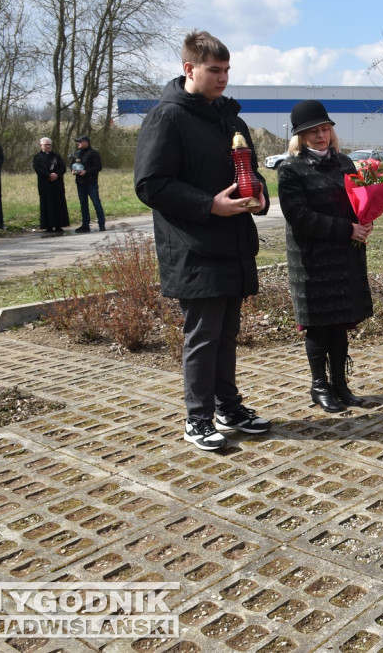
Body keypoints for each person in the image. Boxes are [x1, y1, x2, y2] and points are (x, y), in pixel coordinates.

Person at [134, 30, 271, 451]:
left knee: (227, 335)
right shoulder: (167, 118)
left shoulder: (231, 119)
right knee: (204, 337)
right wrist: (209, 205)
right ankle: (197, 419)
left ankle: (229, 408)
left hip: (232, 245)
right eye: (215, 70)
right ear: (189, 68)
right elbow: (151, 185)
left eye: (228, 70)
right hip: (193, 248)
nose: (223, 78)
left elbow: (247, 169)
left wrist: (261, 193)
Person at [276, 100, 373, 413]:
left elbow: (359, 202)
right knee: (319, 327)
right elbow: (299, 216)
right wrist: (347, 228)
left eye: (325, 128)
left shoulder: (345, 163)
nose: (320, 135)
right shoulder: (290, 169)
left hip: (344, 257)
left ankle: (341, 385)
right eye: (312, 131)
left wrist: (366, 218)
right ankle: (319, 386)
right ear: (300, 137)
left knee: (340, 324)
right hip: (312, 261)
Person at [33, 137, 70, 234]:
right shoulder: (37, 157)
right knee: (47, 205)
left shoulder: (56, 156)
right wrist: (49, 175)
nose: (48, 146)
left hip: (57, 184)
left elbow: (63, 167)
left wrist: (56, 175)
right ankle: (48, 226)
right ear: (41, 145)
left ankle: (59, 225)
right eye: (46, 145)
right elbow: (38, 169)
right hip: (45, 185)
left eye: (50, 144)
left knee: (58, 204)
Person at [71, 135, 105, 233]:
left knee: (96, 203)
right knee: (83, 205)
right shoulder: (77, 154)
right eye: (77, 142)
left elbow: (98, 167)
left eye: (80, 142)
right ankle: (85, 225)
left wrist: (87, 171)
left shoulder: (93, 153)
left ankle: (101, 224)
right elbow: (72, 165)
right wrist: (73, 171)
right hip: (80, 183)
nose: (78, 143)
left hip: (91, 183)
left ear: (86, 142)